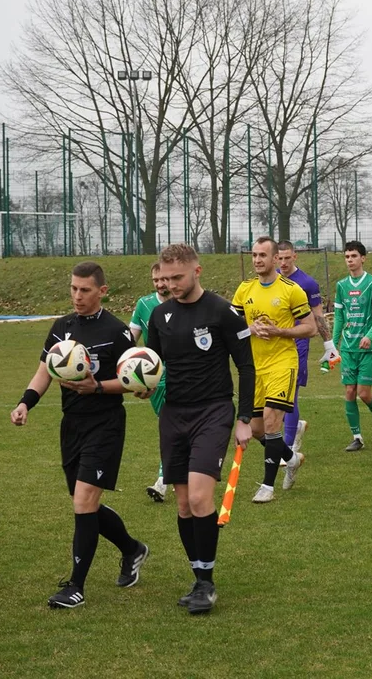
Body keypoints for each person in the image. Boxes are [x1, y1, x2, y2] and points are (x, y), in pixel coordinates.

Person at [11, 261, 147, 609]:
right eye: (73, 288)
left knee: (84, 502)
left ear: (102, 291)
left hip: (105, 426)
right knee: (84, 503)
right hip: (71, 425)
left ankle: (75, 586)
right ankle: (132, 549)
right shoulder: (62, 328)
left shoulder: (118, 333)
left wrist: (97, 387)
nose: (77, 296)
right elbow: (44, 370)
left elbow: (132, 381)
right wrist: (26, 403)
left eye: (84, 290)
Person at [148, 243, 255, 615]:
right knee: (182, 504)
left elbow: (246, 367)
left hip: (213, 412)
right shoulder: (160, 316)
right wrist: (142, 383)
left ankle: (206, 583)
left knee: (198, 499)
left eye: (178, 277)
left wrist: (244, 418)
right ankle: (199, 576)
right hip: (173, 415)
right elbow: (151, 365)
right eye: (166, 277)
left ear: (198, 271)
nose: (171, 284)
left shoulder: (223, 312)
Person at [231, 237, 315, 503]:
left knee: (270, 421)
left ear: (276, 258)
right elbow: (231, 329)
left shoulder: (291, 290)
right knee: (256, 429)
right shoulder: (244, 290)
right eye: (254, 255)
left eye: (262, 255)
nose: (257, 260)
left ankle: (267, 486)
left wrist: (280, 331)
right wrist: (250, 329)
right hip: (254, 367)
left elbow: (310, 327)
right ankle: (290, 459)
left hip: (282, 362)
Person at [332, 241, 372, 451]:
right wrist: (333, 342)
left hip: (367, 348)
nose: (350, 260)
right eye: (347, 257)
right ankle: (357, 437)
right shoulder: (341, 286)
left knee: (364, 394)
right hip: (348, 347)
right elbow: (339, 316)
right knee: (349, 391)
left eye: (354, 256)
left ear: (363, 258)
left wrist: (369, 335)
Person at [276, 241, 334, 452]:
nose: (283, 262)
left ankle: (288, 448)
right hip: (275, 343)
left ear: (295, 257)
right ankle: (296, 425)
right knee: (270, 398)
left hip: (299, 342)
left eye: (286, 258)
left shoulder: (307, 283)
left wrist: (329, 345)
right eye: (279, 258)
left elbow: (318, 316)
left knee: (291, 394)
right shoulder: (270, 279)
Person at [129, 262, 171, 502]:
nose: (159, 284)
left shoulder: (183, 304)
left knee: (169, 426)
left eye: (163, 279)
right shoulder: (144, 304)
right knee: (170, 426)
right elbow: (130, 338)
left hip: (181, 376)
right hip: (153, 377)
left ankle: (163, 480)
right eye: (155, 280)